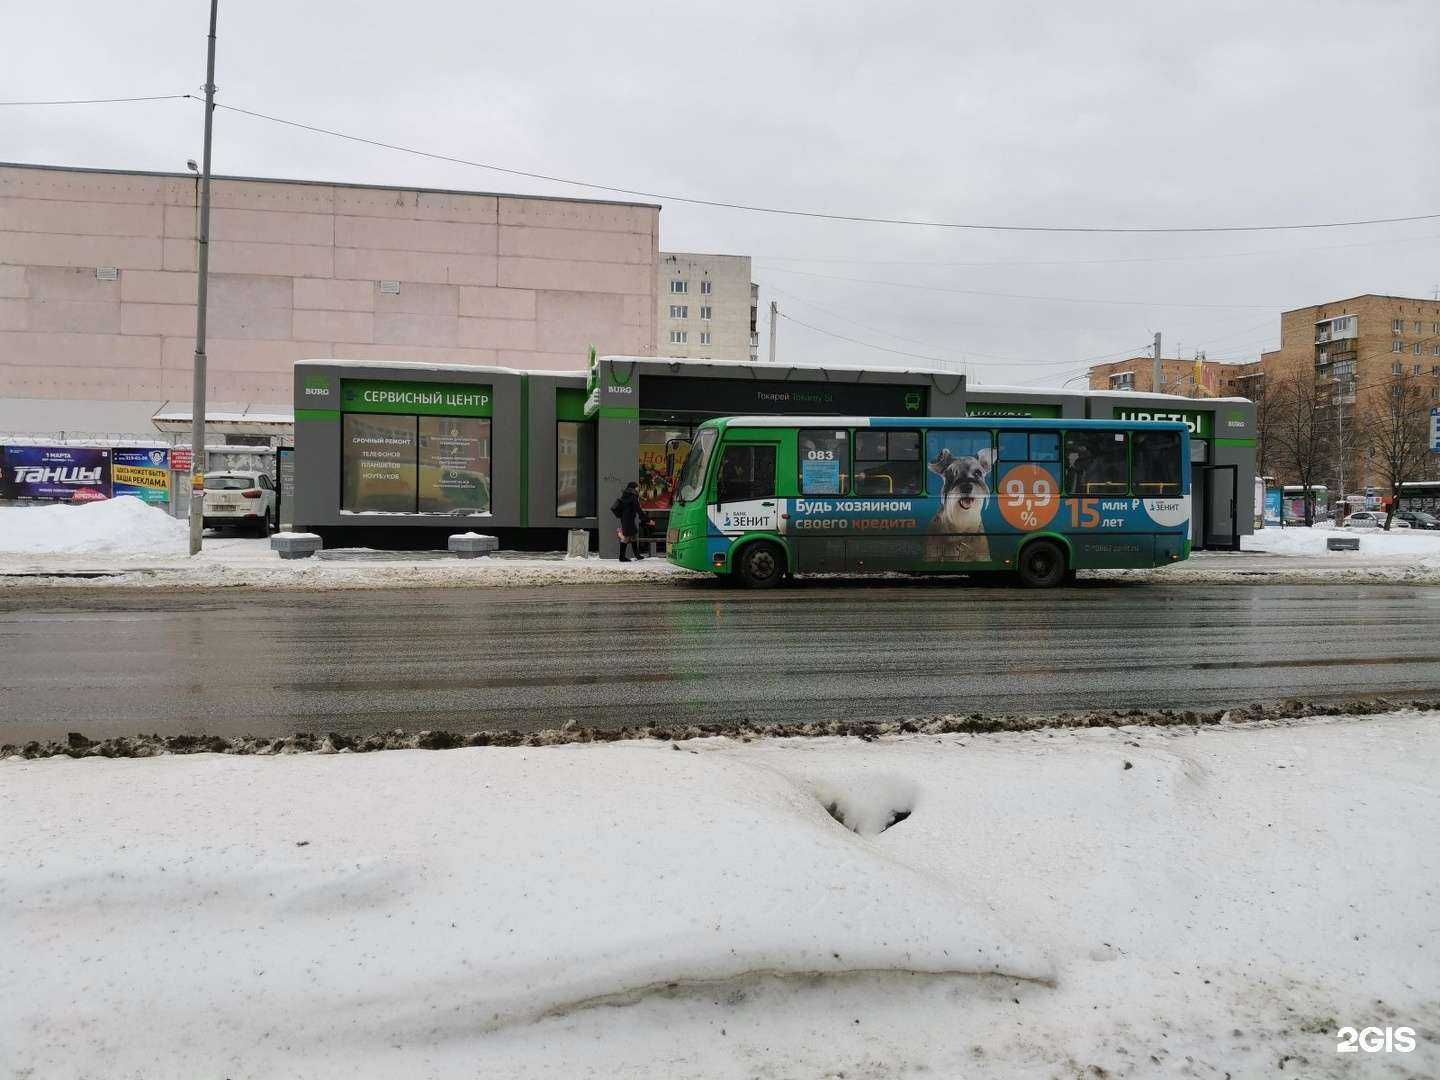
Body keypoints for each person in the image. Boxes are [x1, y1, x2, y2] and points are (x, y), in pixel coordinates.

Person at [611, 481, 653, 562]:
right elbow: (638, 509)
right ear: (634, 487)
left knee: (633, 536)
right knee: (626, 537)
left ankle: (637, 555)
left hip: (626, 518)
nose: (638, 488)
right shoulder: (633, 496)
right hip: (628, 519)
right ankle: (622, 557)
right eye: (637, 487)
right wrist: (647, 519)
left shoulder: (626, 495)